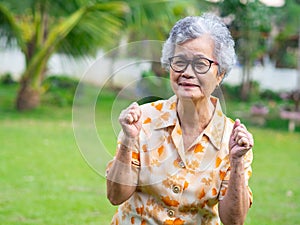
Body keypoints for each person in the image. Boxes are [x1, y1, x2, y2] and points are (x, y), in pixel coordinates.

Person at [106, 13, 254, 225]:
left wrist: (237, 162)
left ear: (220, 74)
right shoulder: (142, 120)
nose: (187, 72)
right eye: (179, 61)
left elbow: (234, 220)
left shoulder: (232, 140)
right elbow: (115, 196)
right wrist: (128, 141)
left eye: (201, 64)